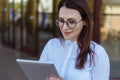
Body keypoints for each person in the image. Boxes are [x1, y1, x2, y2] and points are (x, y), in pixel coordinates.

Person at [39, 0, 110, 80]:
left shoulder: (97, 53)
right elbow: (38, 76)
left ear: (85, 21)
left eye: (72, 22)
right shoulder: (51, 45)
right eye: (61, 20)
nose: (65, 27)